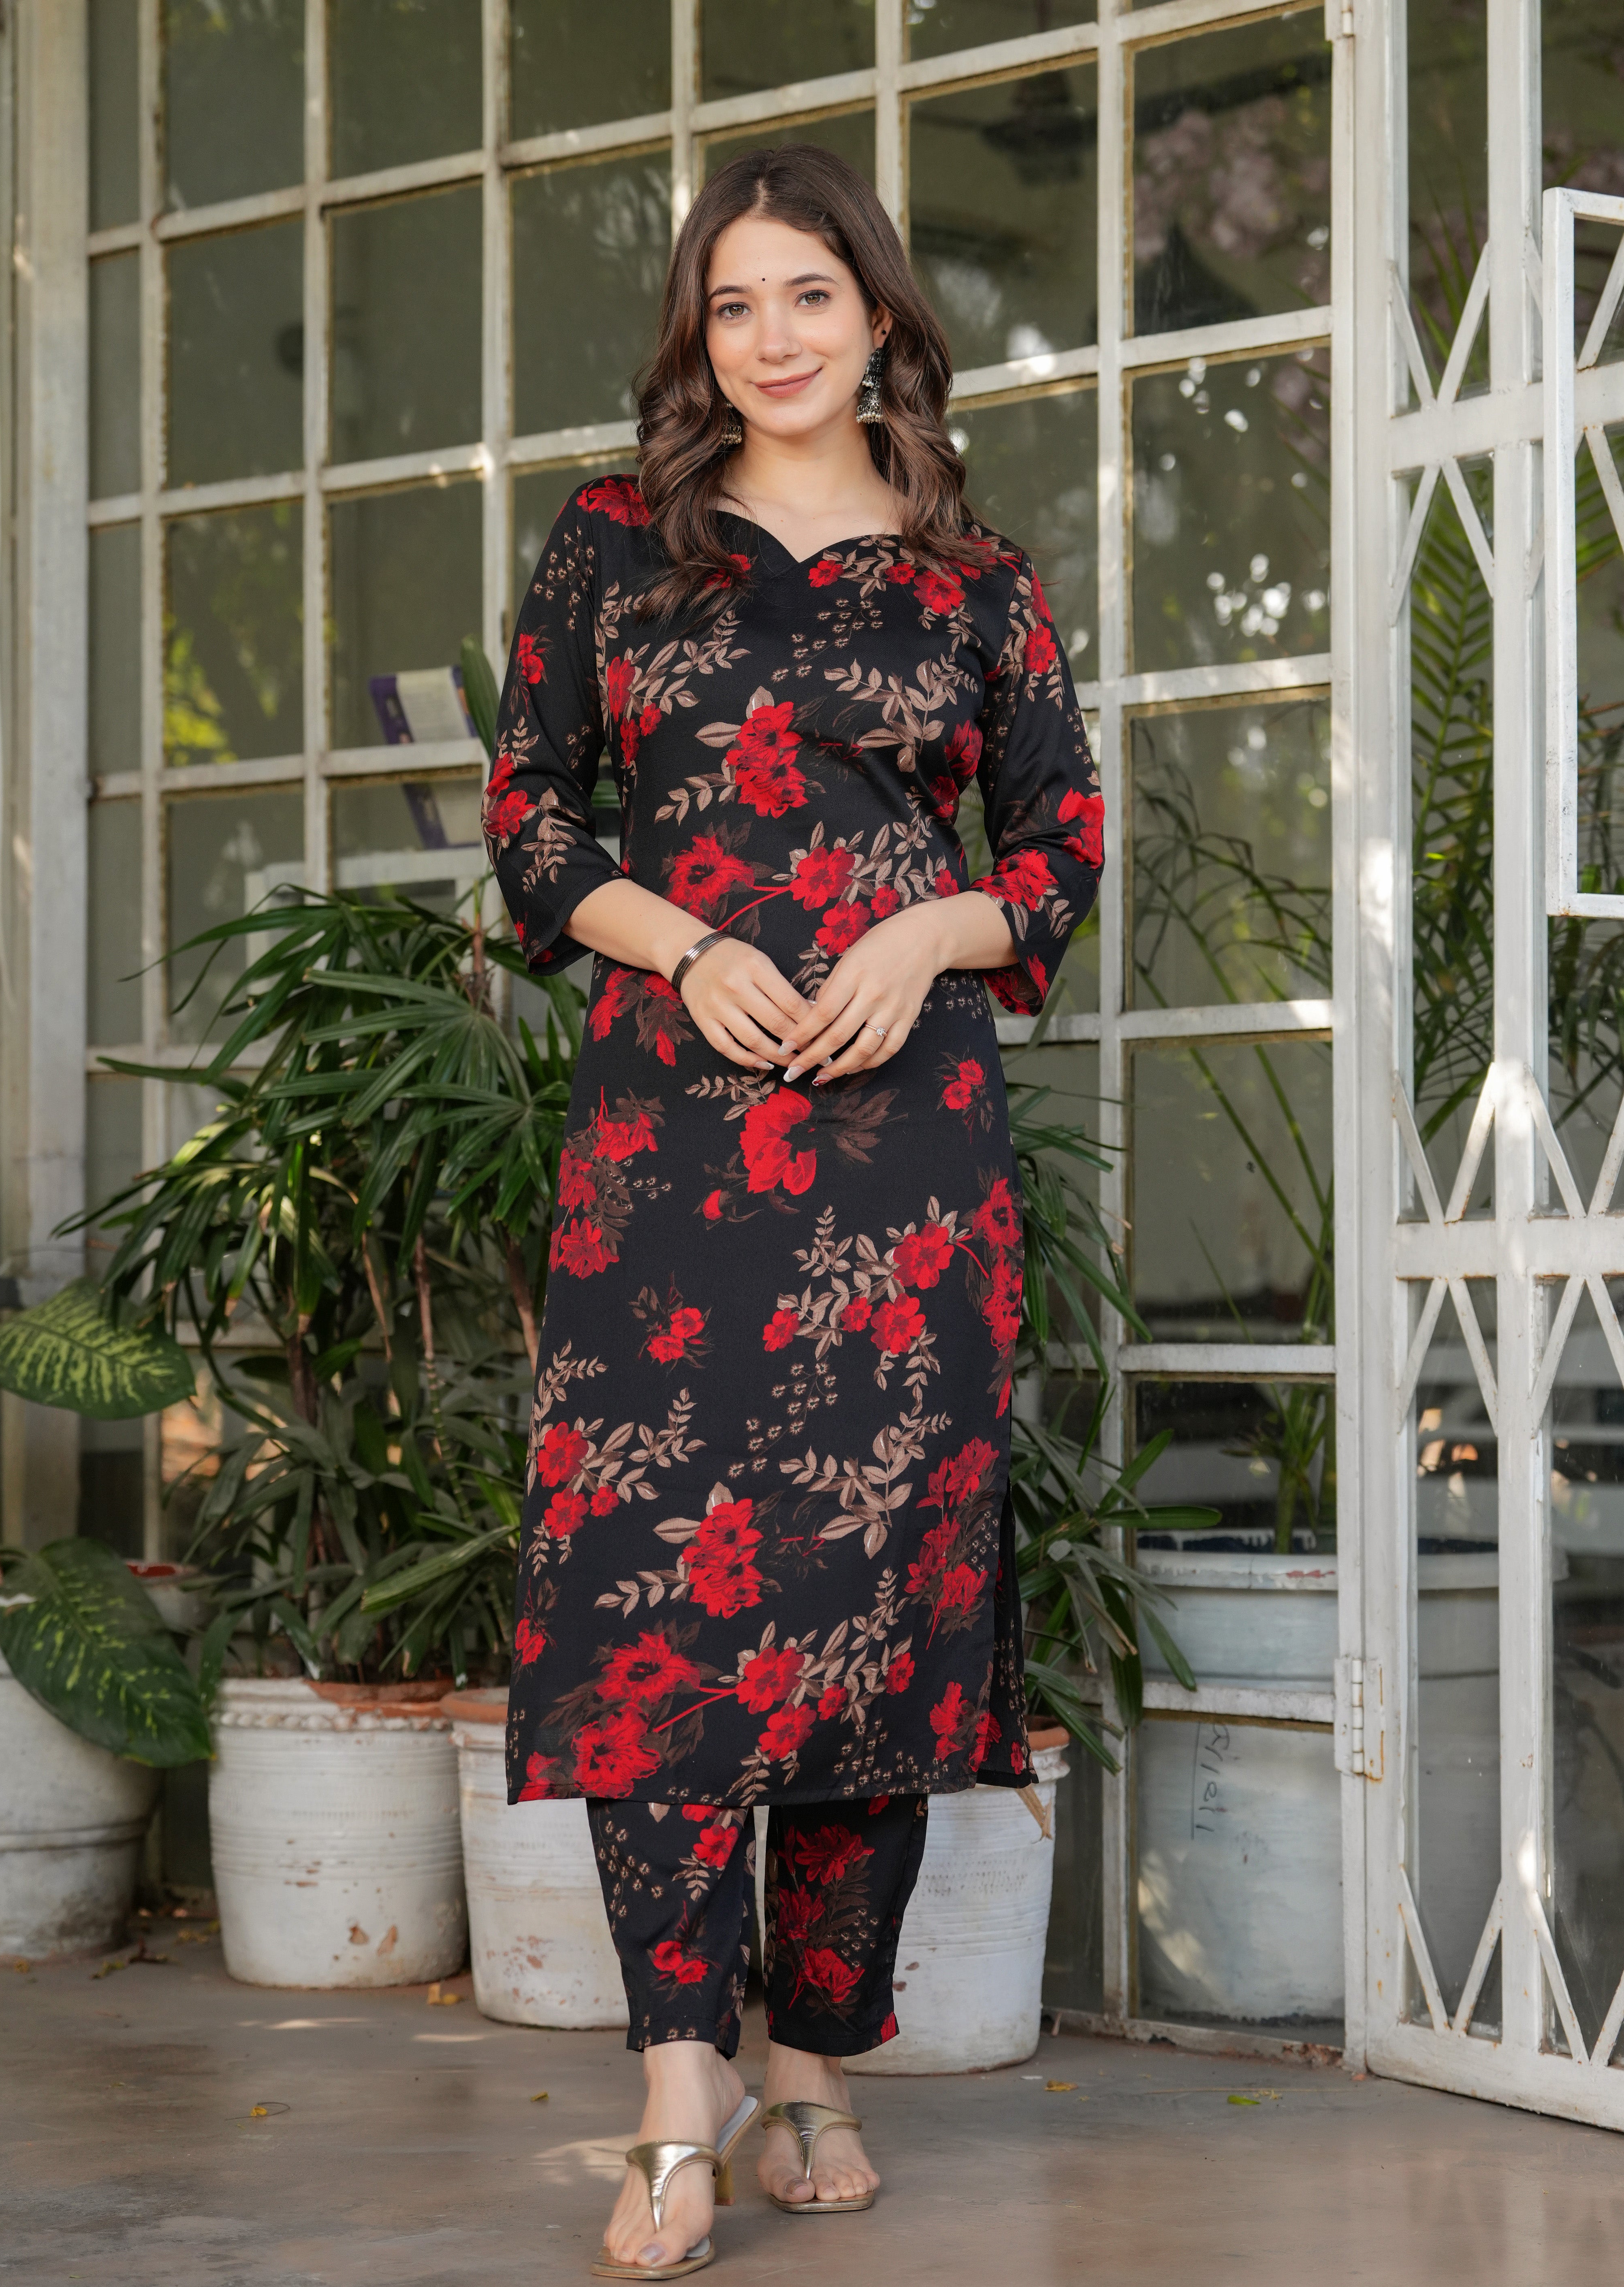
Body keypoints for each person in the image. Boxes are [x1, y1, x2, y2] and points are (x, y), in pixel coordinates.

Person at [483, 142, 1103, 2280]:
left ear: (876, 319)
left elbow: (1063, 849)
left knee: (864, 1596)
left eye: (807, 299)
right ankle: (681, 2082)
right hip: (667, 1141)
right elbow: (528, 821)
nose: (770, 337)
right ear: (699, 332)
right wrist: (673, 941)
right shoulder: (606, 548)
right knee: (659, 1595)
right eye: (734, 304)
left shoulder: (977, 583)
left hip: (900, 1164)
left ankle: (815, 2064)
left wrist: (931, 934)